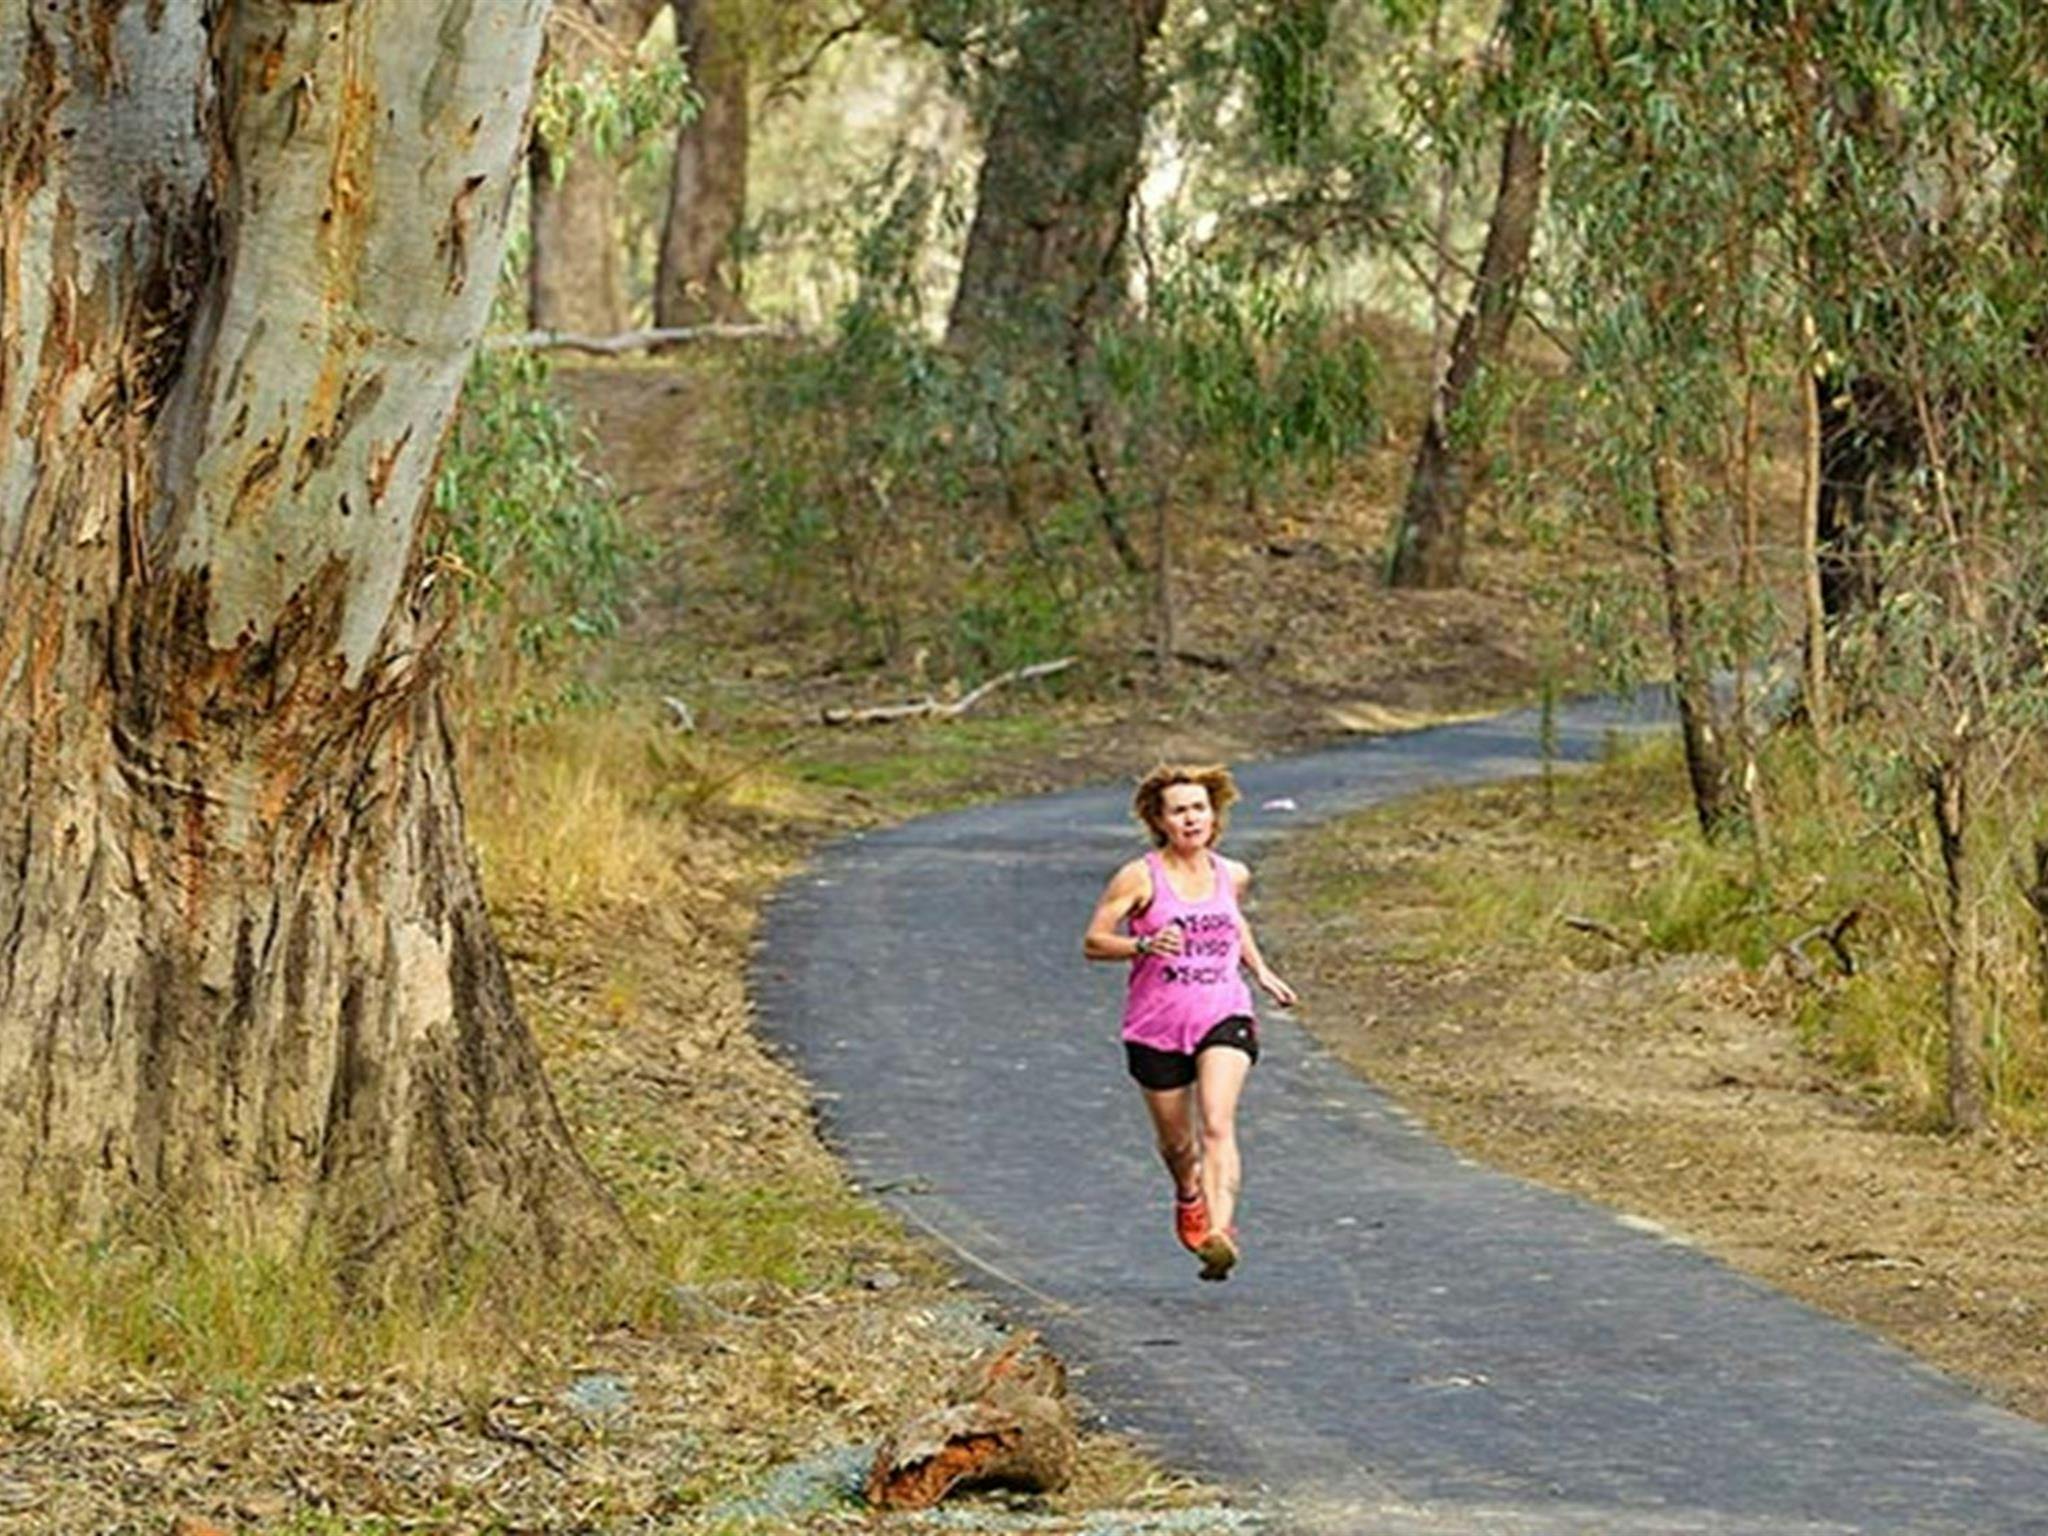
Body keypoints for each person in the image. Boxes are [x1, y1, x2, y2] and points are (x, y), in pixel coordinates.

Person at [1083, 764, 1297, 1281]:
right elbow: (1093, 941)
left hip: (1224, 1011)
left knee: (1218, 1123)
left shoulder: (1233, 873)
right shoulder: (1139, 876)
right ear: (1160, 820)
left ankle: (1220, 1233)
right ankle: (1189, 1194)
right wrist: (1142, 944)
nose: (1191, 818)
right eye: (1179, 810)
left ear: (1214, 815)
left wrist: (1261, 971)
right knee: (1179, 1146)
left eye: (1199, 807)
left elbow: (1232, 919)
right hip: (1156, 1025)